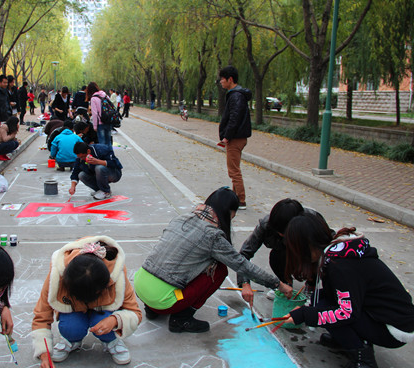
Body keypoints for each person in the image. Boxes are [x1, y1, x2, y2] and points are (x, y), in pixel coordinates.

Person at [283, 213, 414, 368]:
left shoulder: (340, 265)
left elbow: (346, 313)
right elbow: (336, 294)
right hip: (380, 313)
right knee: (320, 302)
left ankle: (365, 363)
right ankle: (346, 340)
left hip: (395, 327)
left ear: (307, 246)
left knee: (324, 309)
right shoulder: (336, 251)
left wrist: (305, 314)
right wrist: (308, 307)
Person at [134, 187, 293, 333]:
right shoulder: (213, 236)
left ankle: (151, 309)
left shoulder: (182, 218)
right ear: (228, 212)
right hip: (163, 300)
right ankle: (181, 319)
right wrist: (278, 284)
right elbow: (242, 265)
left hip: (140, 287)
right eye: (233, 215)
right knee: (219, 270)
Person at [32, 236, 142, 368]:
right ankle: (72, 340)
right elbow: (42, 315)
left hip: (103, 312)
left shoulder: (116, 273)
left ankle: (112, 341)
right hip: (74, 312)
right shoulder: (57, 275)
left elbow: (135, 312)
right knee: (71, 327)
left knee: (104, 323)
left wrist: (115, 320)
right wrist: (44, 353)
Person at [238, 199, 325, 305]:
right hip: (283, 252)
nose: (282, 235)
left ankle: (311, 286)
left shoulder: (313, 221)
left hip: (306, 254)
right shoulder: (267, 224)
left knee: (315, 255)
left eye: (286, 232)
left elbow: (330, 246)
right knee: (276, 256)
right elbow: (244, 253)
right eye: (279, 232)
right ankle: (285, 285)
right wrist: (245, 283)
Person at [218, 65, 252, 210]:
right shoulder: (236, 95)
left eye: (222, 79)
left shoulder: (236, 96)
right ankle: (235, 198)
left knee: (234, 171)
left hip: (235, 138)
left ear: (230, 79)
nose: (221, 81)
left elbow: (234, 118)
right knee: (234, 169)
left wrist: (227, 136)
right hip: (237, 137)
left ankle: (241, 200)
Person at [87, 82, 113, 146]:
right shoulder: (105, 95)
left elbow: (95, 114)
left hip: (100, 123)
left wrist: (95, 126)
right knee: (108, 141)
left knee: (102, 143)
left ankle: (104, 152)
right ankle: (110, 152)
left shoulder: (93, 98)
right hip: (108, 121)